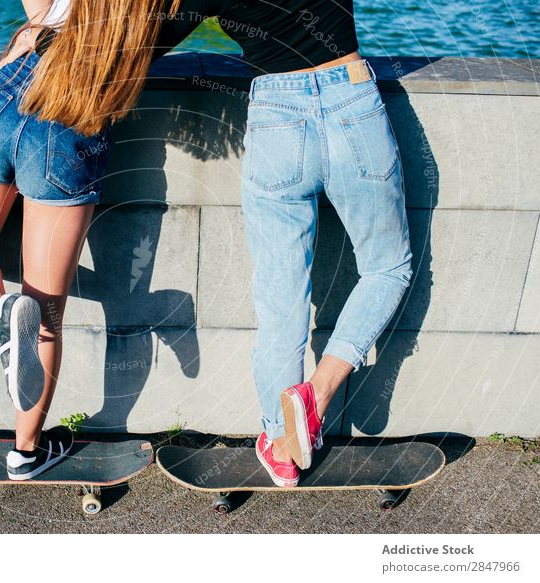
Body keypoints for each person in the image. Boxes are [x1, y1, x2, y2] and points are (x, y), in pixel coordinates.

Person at [159, 0, 412, 486]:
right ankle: (317, 395)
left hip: (276, 109)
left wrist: (47, 45)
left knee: (280, 298)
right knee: (387, 269)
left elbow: (153, 39)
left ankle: (281, 442)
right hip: (352, 97)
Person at [0, 0, 181, 480]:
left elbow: (35, 17)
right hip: (75, 115)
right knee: (46, 308)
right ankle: (26, 452)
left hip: (2, 97)